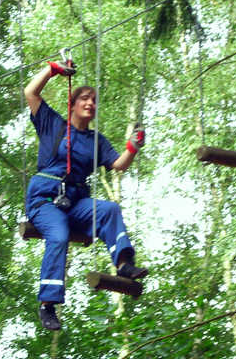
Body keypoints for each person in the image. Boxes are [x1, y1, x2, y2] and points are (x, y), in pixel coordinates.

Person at [25, 55, 147, 331]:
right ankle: (48, 303)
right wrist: (53, 70)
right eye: (84, 98)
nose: (90, 103)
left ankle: (125, 264)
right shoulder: (53, 125)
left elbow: (118, 166)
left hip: (75, 202)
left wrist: (133, 147)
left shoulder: (96, 141)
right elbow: (30, 92)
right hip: (45, 199)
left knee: (109, 209)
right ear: (72, 104)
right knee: (58, 235)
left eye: (93, 100)